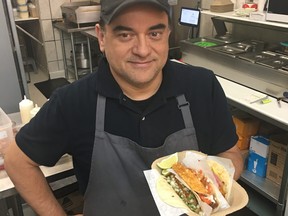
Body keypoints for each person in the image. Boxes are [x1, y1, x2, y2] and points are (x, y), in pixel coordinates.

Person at [4, 0, 244, 215]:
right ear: (101, 37)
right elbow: (17, 161)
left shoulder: (202, 86)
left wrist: (211, 190)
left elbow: (230, 155)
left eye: (155, 33)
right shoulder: (73, 102)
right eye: (125, 35)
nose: (142, 50)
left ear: (168, 34)